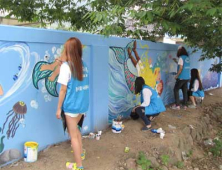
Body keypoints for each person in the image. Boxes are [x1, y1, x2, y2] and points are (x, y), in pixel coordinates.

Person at [56, 37, 89, 170]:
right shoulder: (83, 64)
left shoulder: (66, 67)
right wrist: (63, 63)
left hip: (71, 106)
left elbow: (63, 89)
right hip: (82, 105)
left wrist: (58, 109)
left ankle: (79, 166)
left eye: (65, 48)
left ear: (68, 50)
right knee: (76, 131)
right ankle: (81, 153)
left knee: (73, 136)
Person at [171, 46, 190, 110]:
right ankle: (185, 105)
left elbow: (181, 68)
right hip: (187, 77)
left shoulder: (181, 58)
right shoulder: (187, 58)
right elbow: (182, 65)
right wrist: (176, 61)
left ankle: (177, 105)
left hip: (181, 77)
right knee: (184, 91)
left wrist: (177, 76)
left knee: (176, 90)